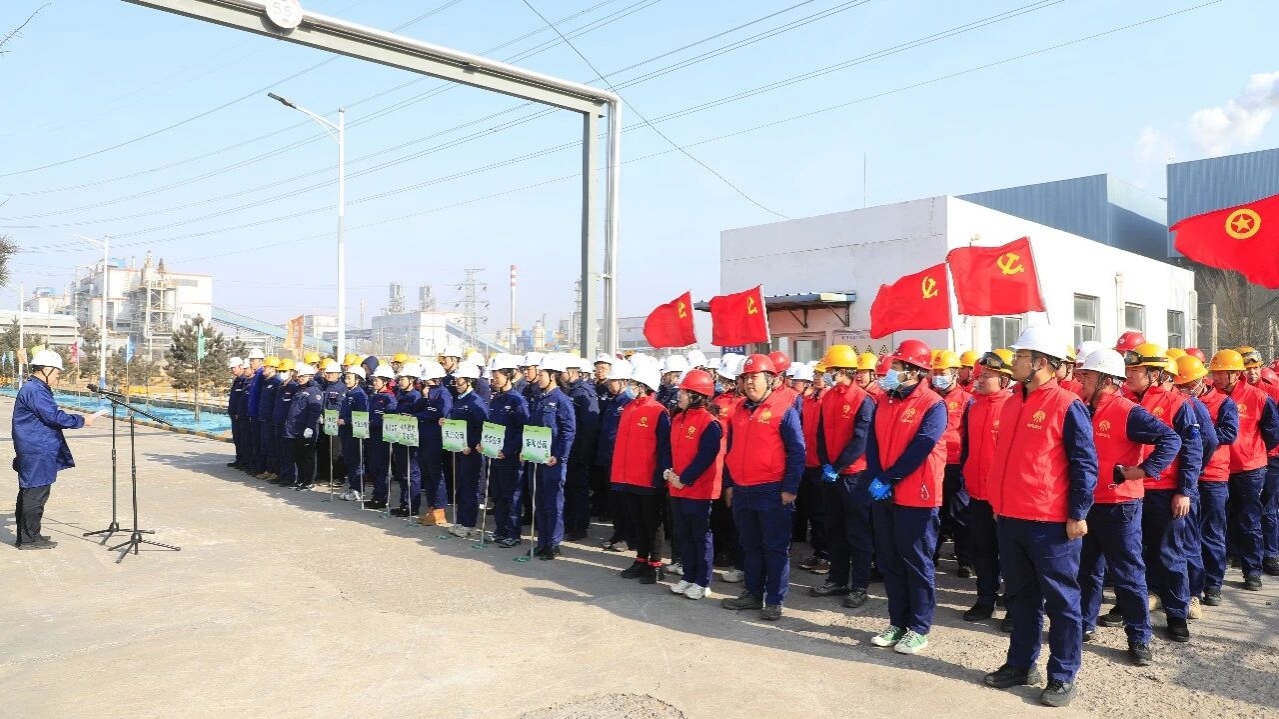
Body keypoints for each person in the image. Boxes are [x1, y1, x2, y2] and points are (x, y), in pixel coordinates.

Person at [984, 325, 1097, 708]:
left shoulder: (1067, 404)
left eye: (1020, 356)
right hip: (1011, 517)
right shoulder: (1011, 401)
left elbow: (1084, 464)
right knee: (1020, 597)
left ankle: (1062, 676)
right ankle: (1021, 664)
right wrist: (998, 503)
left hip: (1049, 522)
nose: (1013, 361)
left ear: (1041, 363)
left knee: (1062, 602)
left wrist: (1078, 513)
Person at [1074, 349, 1179, 665]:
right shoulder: (1083, 408)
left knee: (1128, 575)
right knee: (1087, 570)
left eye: (1088, 376)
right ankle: (1084, 624)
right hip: (1087, 504)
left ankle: (1139, 637)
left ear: (1106, 379)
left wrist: (1141, 471)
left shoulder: (1128, 411)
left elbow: (1171, 439)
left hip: (1120, 507)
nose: (1081, 380)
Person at [865, 339, 946, 656]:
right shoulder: (885, 401)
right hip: (885, 493)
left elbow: (921, 446)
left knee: (916, 562)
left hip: (918, 495)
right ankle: (897, 622)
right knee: (889, 560)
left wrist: (888, 478)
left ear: (913, 371)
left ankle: (919, 628)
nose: (890, 371)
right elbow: (872, 442)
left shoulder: (933, 404)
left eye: (896, 366)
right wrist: (876, 476)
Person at [1120, 343, 1203, 642]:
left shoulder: (1177, 404)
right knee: (1132, 554)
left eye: (1136, 370)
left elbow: (1193, 450)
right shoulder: (1122, 401)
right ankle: (1130, 605)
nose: (1129, 374)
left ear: (1154, 374)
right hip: (1130, 491)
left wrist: (1184, 490)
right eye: (1128, 369)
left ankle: (1177, 613)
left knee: (1169, 554)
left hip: (1164, 491)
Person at [720, 354, 805, 621]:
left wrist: (790, 488)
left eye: (754, 377)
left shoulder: (784, 410)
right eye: (745, 378)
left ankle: (775, 600)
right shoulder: (738, 410)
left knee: (775, 548)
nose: (748, 383)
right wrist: (729, 483)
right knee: (750, 545)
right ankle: (753, 593)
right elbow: (730, 449)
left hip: (771, 490)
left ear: (770, 380)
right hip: (742, 490)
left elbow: (797, 451)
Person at [809, 344, 876, 608]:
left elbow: (860, 440)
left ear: (841, 370)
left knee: (857, 533)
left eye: (830, 370)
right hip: (832, 475)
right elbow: (821, 434)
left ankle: (859, 586)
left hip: (854, 476)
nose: (826, 374)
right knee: (834, 529)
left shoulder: (863, 399)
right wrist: (826, 464)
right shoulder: (828, 397)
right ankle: (836, 579)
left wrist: (836, 467)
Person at [12, 350, 97, 550]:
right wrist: (82, 420)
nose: (58, 376)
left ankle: (30, 535)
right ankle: (29, 539)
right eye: (57, 372)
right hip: (37, 449)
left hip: (35, 447)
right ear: (47, 369)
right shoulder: (35, 390)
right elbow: (53, 416)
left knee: (31, 492)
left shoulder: (35, 388)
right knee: (35, 493)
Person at [1209, 349, 1279, 591]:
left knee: (1249, 520)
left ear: (1235, 374)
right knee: (1219, 520)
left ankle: (1252, 571)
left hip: (1249, 469)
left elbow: (1272, 432)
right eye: (1214, 373)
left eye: (1221, 373)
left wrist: (1252, 451)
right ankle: (1221, 567)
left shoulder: (1259, 397)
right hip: (1219, 469)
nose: (1216, 378)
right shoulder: (1211, 397)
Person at [1174, 354, 1236, 610]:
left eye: (1189, 385)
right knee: (1188, 535)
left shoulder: (1223, 402)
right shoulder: (1181, 402)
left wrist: (1197, 437)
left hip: (1213, 476)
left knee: (1212, 533)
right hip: (1188, 477)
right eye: (1180, 386)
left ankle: (1213, 584)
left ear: (1201, 380)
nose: (1185, 390)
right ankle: (1190, 584)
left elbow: (1228, 433)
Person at [959, 349, 1014, 625]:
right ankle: (985, 600)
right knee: (982, 551)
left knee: (1012, 555)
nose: (979, 379)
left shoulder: (1013, 407)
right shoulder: (974, 406)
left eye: (987, 376)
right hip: (977, 493)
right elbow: (967, 447)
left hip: (1005, 496)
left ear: (1004, 379)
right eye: (979, 374)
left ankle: (1015, 606)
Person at [666, 369, 725, 600]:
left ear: (696, 395)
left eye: (683, 392)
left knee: (700, 535)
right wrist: (669, 471)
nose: (679, 395)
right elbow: (671, 449)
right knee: (683, 533)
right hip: (677, 487)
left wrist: (685, 478)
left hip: (698, 490)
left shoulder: (710, 423)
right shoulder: (678, 418)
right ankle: (688, 576)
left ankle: (703, 581)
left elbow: (706, 456)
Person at [612, 358, 673, 580]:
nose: (630, 386)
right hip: (628, 476)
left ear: (644, 385)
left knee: (652, 522)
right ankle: (640, 559)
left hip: (648, 477)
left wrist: (661, 474)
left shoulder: (658, 411)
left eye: (633, 383)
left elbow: (665, 447)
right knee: (637, 520)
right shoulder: (629, 408)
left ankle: (655, 564)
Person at [524, 354, 576, 558]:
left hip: (552, 461)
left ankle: (553, 544)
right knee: (539, 502)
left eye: (542, 374)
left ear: (553, 376)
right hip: (536, 457)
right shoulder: (538, 398)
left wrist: (559, 455)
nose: (538, 378)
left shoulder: (562, 400)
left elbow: (568, 431)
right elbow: (531, 427)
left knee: (553, 504)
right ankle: (542, 542)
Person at [931, 349, 976, 577]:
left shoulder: (967, 400)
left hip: (957, 466)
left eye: (943, 373)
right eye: (936, 372)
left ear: (955, 374)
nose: (938, 377)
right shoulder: (931, 399)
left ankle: (965, 560)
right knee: (935, 513)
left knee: (960, 514)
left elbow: (970, 436)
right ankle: (932, 556)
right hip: (934, 465)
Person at [1239, 346, 1279, 577]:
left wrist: (1265, 448)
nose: (1252, 373)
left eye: (1255, 368)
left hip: (1270, 458)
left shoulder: (1272, 392)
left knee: (1268, 507)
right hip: (1243, 461)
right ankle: (1241, 552)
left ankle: (1270, 554)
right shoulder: (1230, 394)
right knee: (1245, 509)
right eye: (1248, 369)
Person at [485, 354, 529, 547]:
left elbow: (523, 429)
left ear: (508, 375)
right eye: (493, 376)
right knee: (499, 496)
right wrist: (483, 443)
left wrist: (509, 450)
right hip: (494, 455)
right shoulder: (496, 399)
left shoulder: (517, 400)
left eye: (497, 376)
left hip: (510, 458)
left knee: (512, 496)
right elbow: (490, 427)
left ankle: (513, 533)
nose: (494, 379)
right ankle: (500, 530)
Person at [792, 362, 829, 575]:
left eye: (821, 374)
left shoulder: (828, 399)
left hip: (823, 465)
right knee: (813, 512)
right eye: (815, 373)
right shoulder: (807, 400)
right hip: (807, 463)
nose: (816, 377)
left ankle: (827, 555)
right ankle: (818, 552)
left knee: (824, 513)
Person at [447, 362, 489, 538]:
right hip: (459, 449)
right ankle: (461, 521)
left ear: (469, 381)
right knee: (461, 486)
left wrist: (472, 445)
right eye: (456, 381)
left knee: (470, 488)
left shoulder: (475, 401)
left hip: (471, 452)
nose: (456, 384)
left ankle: (469, 524)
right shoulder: (460, 399)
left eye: (459, 381)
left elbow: (483, 427)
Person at [597, 359, 634, 552]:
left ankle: (627, 536)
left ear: (623, 382)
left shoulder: (628, 403)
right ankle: (618, 534)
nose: (610, 383)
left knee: (624, 502)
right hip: (608, 457)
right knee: (613, 500)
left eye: (613, 380)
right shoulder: (613, 401)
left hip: (621, 460)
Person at [561, 356, 600, 541]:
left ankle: (579, 526)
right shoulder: (570, 390)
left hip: (579, 452)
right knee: (569, 489)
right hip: (570, 450)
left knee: (578, 490)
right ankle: (569, 523)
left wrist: (584, 454)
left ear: (571, 372)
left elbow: (590, 427)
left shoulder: (584, 392)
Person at [414, 361, 453, 525]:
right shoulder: (428, 393)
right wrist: (424, 398)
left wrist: (421, 416)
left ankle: (439, 509)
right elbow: (418, 409)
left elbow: (440, 413)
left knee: (436, 474)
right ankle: (432, 507)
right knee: (427, 474)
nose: (425, 382)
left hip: (435, 438)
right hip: (423, 437)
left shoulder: (443, 393)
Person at [388, 364, 423, 516]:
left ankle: (412, 506)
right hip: (399, 439)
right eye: (400, 379)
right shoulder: (400, 395)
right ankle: (404, 503)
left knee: (411, 473)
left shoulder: (416, 397)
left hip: (410, 441)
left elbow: (417, 419)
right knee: (402, 473)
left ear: (411, 380)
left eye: (403, 379)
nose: (400, 382)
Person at [362, 365, 398, 510]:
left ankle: (382, 497)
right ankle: (376, 495)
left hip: (382, 438)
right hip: (372, 436)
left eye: (376, 380)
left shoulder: (389, 398)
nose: (374, 382)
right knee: (373, 467)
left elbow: (389, 419)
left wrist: (374, 422)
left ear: (385, 381)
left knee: (382, 468)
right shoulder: (375, 396)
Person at [285, 364, 324, 490]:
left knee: (308, 457)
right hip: (295, 429)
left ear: (310, 377)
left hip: (306, 429)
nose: (300, 378)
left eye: (303, 376)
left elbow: (315, 411)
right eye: (299, 376)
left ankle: (309, 481)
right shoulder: (299, 390)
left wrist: (310, 427)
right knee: (298, 456)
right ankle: (301, 480)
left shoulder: (314, 391)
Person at [337, 366, 369, 502]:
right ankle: (352, 487)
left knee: (356, 462)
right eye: (346, 377)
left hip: (355, 433)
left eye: (349, 378)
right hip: (346, 433)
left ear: (358, 379)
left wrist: (346, 421)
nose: (346, 380)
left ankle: (358, 489)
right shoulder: (349, 393)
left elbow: (362, 415)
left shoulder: (359, 395)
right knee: (349, 461)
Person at [270, 359, 298, 486]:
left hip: (287, 425)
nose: (282, 373)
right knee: (280, 451)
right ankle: (283, 474)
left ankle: (291, 477)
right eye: (280, 371)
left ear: (291, 372)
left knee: (288, 452)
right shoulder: (281, 386)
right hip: (278, 423)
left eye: (284, 371)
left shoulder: (293, 387)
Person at [254, 356, 281, 480]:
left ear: (273, 368)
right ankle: (269, 470)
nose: (263, 369)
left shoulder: (277, 382)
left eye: (266, 367)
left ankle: (276, 471)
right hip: (263, 418)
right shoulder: (266, 382)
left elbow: (276, 403)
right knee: (265, 447)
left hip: (271, 419)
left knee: (272, 447)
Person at [243, 348, 266, 476]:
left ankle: (260, 468)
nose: (251, 362)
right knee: (254, 442)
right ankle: (256, 466)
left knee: (259, 443)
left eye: (253, 360)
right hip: (253, 413)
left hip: (258, 414)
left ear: (261, 361)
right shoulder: (257, 375)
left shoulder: (262, 375)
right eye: (250, 360)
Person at [227, 357, 248, 469]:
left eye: (234, 367)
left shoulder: (244, 380)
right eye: (231, 368)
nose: (232, 370)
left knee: (242, 439)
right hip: (234, 414)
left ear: (241, 366)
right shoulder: (237, 380)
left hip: (239, 415)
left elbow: (242, 399)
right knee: (237, 438)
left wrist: (238, 412)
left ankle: (244, 460)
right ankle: (239, 459)